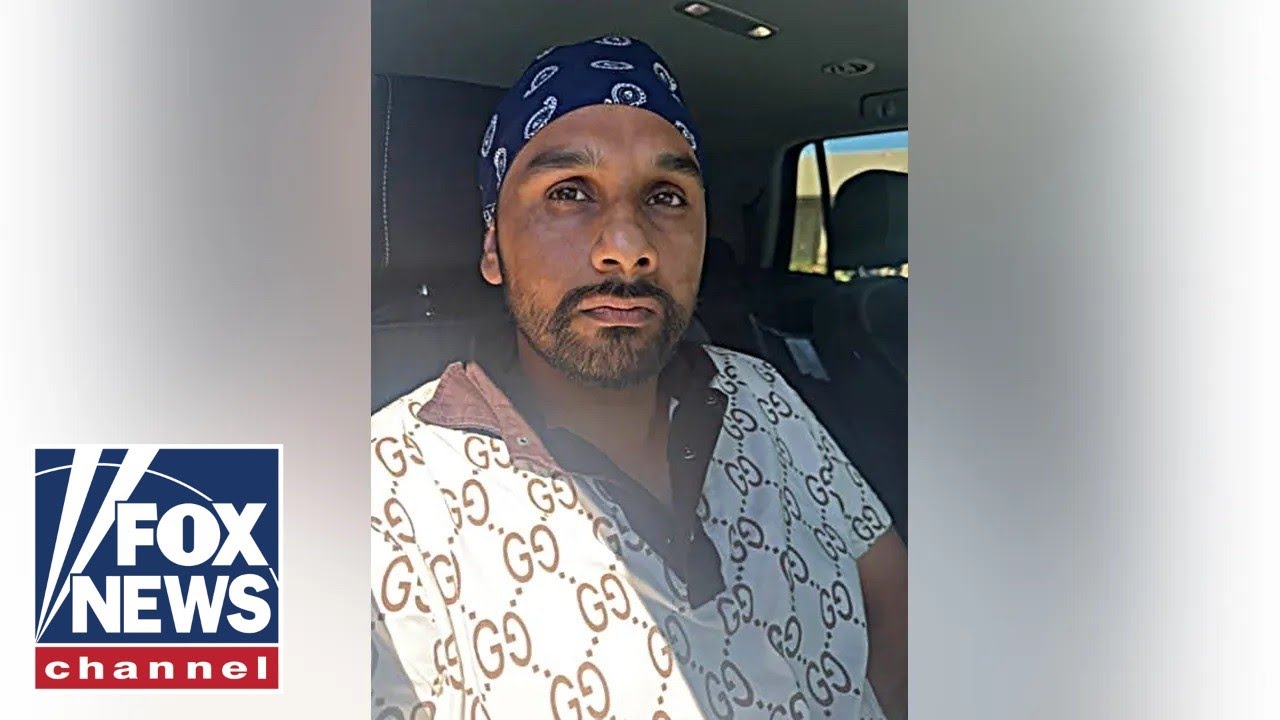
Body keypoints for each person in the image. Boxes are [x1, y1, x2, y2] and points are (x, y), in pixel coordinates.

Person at [371, 35, 907, 720]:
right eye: (569, 193)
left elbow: (898, 615)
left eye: (666, 196)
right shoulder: (381, 495)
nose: (628, 248)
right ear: (493, 247)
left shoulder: (763, 393)